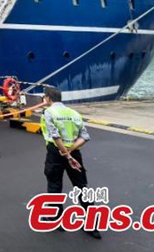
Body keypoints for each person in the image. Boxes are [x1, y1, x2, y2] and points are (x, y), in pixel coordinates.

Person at [41, 85, 101, 239]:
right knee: (81, 186)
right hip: (74, 152)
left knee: (54, 185)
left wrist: (65, 154)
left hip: (56, 153)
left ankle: (56, 220)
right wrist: (70, 151)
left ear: (48, 98)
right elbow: (85, 136)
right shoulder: (74, 113)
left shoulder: (49, 112)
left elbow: (55, 136)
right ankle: (92, 225)